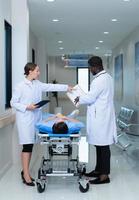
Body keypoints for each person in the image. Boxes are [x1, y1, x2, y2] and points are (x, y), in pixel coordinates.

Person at [10, 62, 72, 186]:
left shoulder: (37, 84)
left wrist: (67, 87)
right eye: (37, 71)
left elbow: (50, 87)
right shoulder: (20, 86)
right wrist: (27, 107)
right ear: (30, 72)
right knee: (27, 146)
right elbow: (13, 103)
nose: (39, 73)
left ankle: (25, 171)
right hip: (25, 119)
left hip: (34, 119)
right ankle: (26, 175)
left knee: (30, 145)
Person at [74, 56, 117, 184]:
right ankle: (98, 170)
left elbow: (90, 98)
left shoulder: (99, 80)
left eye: (90, 67)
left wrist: (78, 98)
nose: (89, 70)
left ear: (95, 67)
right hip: (103, 115)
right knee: (100, 144)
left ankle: (104, 176)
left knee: (103, 146)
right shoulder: (107, 78)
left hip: (101, 117)